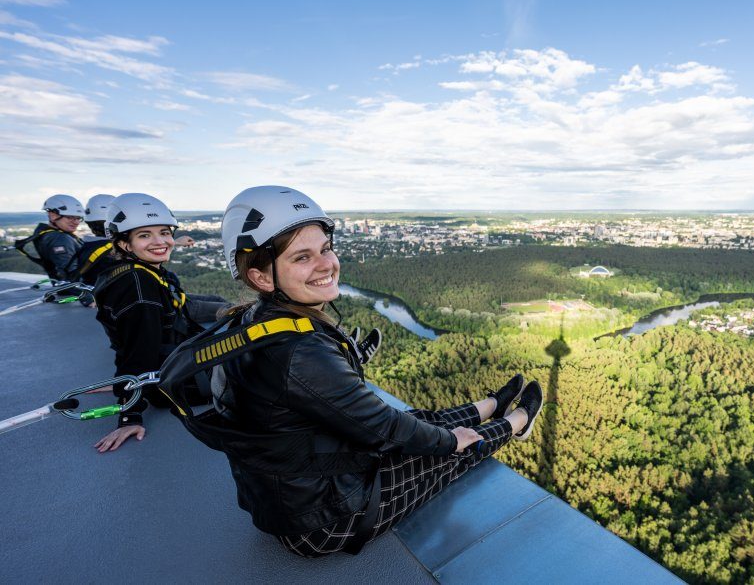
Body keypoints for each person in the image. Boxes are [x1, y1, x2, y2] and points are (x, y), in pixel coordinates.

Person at [169, 185, 544, 556]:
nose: (325, 264)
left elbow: (369, 419)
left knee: (419, 421)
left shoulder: (252, 321)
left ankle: (491, 405)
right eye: (302, 257)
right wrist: (451, 441)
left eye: (325, 249)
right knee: (448, 453)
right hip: (324, 522)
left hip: (288, 499)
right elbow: (384, 427)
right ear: (262, 277)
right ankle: (517, 421)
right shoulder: (299, 350)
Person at [92, 193, 227, 452]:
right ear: (124, 244)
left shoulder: (136, 273)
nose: (160, 242)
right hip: (181, 382)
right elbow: (139, 352)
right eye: (145, 235)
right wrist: (130, 415)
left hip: (177, 366)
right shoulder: (139, 291)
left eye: (164, 233)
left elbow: (131, 338)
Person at [15, 194, 85, 282]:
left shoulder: (47, 233)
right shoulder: (59, 239)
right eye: (70, 217)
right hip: (78, 292)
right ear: (53, 215)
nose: (76, 222)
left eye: (78, 218)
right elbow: (71, 274)